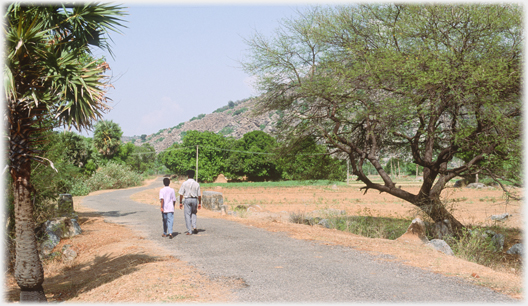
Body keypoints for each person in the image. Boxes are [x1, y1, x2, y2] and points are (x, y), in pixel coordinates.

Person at [179, 170, 201, 235]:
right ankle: (194, 226)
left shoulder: (184, 183)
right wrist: (199, 203)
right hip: (194, 199)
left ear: (188, 175)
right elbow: (199, 195)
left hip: (187, 199)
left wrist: (180, 202)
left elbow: (181, 193)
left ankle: (189, 231)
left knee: (187, 214)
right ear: (193, 175)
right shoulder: (197, 184)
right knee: (194, 212)